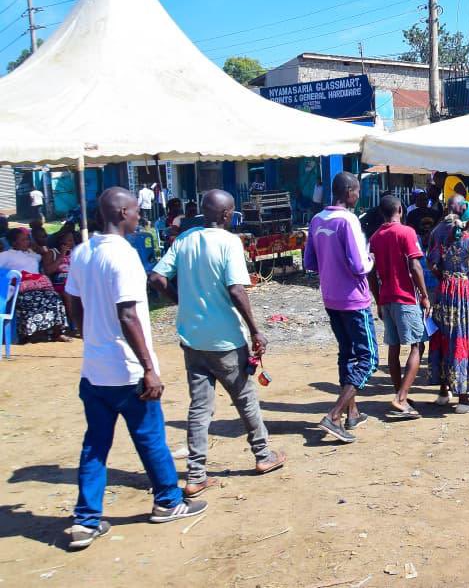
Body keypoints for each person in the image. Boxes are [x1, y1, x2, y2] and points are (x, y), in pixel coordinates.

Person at [64, 188, 206, 550]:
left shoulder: (82, 252)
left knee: (95, 446)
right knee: (151, 438)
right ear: (123, 212)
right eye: (137, 211)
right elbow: (127, 314)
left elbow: (74, 304)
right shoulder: (123, 256)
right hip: (127, 371)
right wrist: (148, 368)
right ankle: (167, 502)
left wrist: (90, 338)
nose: (140, 216)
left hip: (94, 370)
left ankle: (85, 521)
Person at [149, 190, 286, 496]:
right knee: (245, 398)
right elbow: (237, 290)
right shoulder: (228, 243)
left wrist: (181, 301)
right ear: (226, 215)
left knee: (200, 407)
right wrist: (255, 330)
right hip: (224, 339)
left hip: (192, 337)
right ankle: (263, 455)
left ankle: (196, 475)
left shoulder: (185, 239)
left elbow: (156, 279)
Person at [303, 172, 378, 443]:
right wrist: (370, 258)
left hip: (330, 298)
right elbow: (360, 266)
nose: (358, 196)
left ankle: (352, 411)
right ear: (348, 193)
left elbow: (309, 263)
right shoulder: (348, 220)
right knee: (368, 359)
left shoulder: (316, 220)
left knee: (347, 354)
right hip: (354, 299)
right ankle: (334, 415)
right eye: (357, 191)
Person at [369, 194, 431, 419]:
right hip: (405, 297)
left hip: (386, 298)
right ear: (401, 210)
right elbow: (415, 266)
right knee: (417, 346)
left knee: (393, 347)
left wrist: (377, 299)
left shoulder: (375, 237)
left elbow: (371, 274)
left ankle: (399, 392)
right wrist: (424, 295)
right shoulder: (407, 232)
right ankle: (401, 397)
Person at [427, 198, 469, 413]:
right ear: (468, 218)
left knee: (446, 336)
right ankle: (463, 399)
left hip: (444, 293)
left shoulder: (438, 233)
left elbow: (431, 263)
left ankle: (444, 392)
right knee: (463, 339)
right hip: (464, 294)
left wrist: (446, 278)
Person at [0, 227, 69, 342]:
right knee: (32, 300)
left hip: (40, 286)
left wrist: (35, 247)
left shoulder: (32, 253)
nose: (27, 242)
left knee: (54, 298)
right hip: (22, 289)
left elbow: (44, 253)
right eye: (23, 240)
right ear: (14, 242)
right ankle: (30, 334)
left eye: (27, 239)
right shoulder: (6, 255)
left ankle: (57, 332)